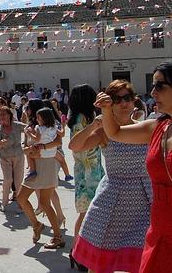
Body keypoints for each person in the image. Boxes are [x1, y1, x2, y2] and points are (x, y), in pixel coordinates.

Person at [93, 62, 172, 272]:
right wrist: (106, 110)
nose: (153, 92)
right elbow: (116, 133)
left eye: (160, 86)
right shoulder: (158, 126)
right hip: (160, 226)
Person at [69, 79, 151, 273]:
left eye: (127, 98)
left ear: (134, 101)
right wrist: (94, 125)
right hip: (111, 199)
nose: (123, 103)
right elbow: (75, 146)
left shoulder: (144, 128)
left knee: (141, 258)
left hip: (143, 199)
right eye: (117, 99)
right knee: (99, 260)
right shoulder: (104, 132)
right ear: (109, 103)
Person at [67, 84, 105, 266]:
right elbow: (79, 148)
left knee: (89, 214)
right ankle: (76, 251)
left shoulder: (85, 117)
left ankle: (79, 251)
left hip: (93, 170)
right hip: (87, 172)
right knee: (85, 214)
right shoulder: (81, 119)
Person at [16, 119, 65, 249]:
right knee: (21, 198)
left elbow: (58, 143)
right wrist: (29, 150)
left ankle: (58, 236)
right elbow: (25, 149)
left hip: (47, 166)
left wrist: (40, 149)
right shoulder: (30, 128)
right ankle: (36, 225)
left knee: (45, 204)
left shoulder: (50, 127)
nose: (26, 111)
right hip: (33, 169)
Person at [0, 106, 26, 210]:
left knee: (18, 180)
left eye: (4, 114)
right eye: (0, 114)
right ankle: (4, 202)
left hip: (18, 156)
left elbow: (29, 129)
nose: (1, 117)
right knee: (7, 179)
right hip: (5, 158)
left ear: (10, 115)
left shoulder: (17, 125)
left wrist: (29, 142)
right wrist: (0, 143)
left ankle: (21, 203)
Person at [24, 108, 58, 179]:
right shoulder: (54, 127)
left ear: (45, 119)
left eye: (38, 118)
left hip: (41, 152)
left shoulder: (39, 128)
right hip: (52, 153)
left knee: (30, 156)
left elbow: (37, 139)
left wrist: (28, 133)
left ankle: (32, 171)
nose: (37, 119)